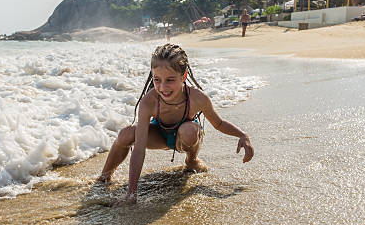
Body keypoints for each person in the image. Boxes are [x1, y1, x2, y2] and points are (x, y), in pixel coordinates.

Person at [98, 43, 254, 204]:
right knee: (126, 134)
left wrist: (242, 135)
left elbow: (219, 123)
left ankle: (191, 160)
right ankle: (104, 176)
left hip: (185, 138)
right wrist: (131, 193)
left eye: (170, 80)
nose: (163, 87)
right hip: (158, 134)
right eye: (157, 80)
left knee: (189, 130)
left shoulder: (197, 98)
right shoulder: (149, 102)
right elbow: (138, 149)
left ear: (184, 76)